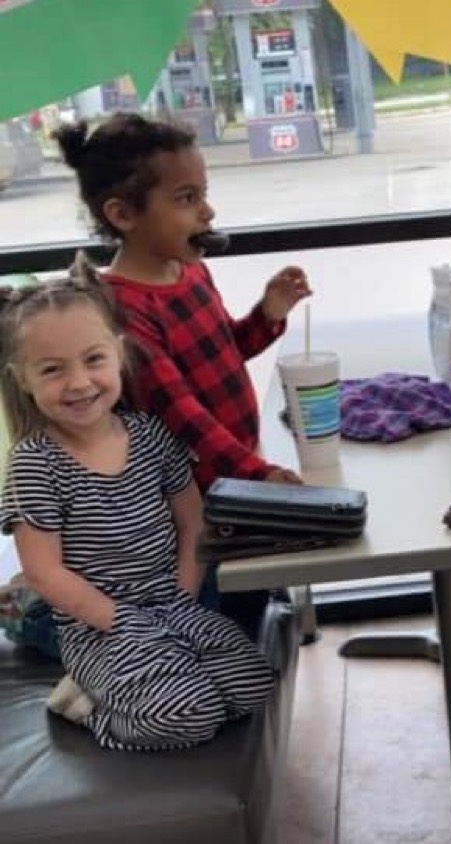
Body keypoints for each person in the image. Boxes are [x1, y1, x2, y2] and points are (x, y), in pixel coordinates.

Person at [51, 113, 312, 635]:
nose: (208, 212)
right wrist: (258, 474)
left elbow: (226, 350)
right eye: (187, 198)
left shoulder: (191, 270)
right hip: (195, 502)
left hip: (235, 475)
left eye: (204, 194)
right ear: (123, 214)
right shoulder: (124, 310)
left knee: (260, 601)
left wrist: (269, 314)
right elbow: (183, 416)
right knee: (222, 611)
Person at [0, 264, 274, 750]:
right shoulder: (34, 464)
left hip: (172, 603)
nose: (79, 382)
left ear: (119, 354)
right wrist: (122, 622)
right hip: (100, 627)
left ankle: (155, 684)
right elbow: (44, 573)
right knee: (189, 716)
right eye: (52, 370)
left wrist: (183, 598)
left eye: (93, 360)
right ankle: (86, 708)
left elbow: (192, 521)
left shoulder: (149, 434)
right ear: (23, 379)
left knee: (254, 686)